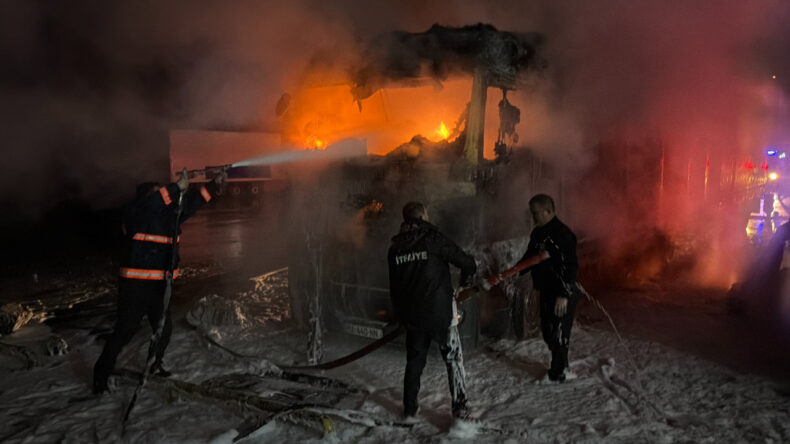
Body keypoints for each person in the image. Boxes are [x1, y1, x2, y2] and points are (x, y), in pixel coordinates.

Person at [93, 169, 226, 394]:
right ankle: (100, 375)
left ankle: (155, 364)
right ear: (145, 197)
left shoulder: (168, 217)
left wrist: (213, 186)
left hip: (159, 287)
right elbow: (152, 205)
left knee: (164, 329)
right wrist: (174, 188)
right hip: (135, 287)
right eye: (157, 193)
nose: (163, 197)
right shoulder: (135, 212)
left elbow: (192, 204)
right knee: (125, 331)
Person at [387, 201, 477, 419]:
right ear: (423, 216)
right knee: (453, 359)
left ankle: (409, 410)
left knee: (415, 361)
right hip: (440, 314)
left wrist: (401, 316)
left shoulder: (395, 248)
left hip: (413, 316)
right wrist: (464, 284)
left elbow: (395, 289)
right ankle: (460, 409)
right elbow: (467, 263)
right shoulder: (433, 239)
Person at [519, 194, 580, 382]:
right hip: (545, 289)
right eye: (531, 213)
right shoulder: (538, 234)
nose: (533, 217)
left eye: (536, 213)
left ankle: (559, 372)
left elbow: (570, 266)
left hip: (562, 292)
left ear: (548, 211)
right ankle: (560, 365)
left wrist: (564, 294)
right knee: (547, 329)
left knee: (559, 331)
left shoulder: (562, 234)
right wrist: (516, 271)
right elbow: (529, 257)